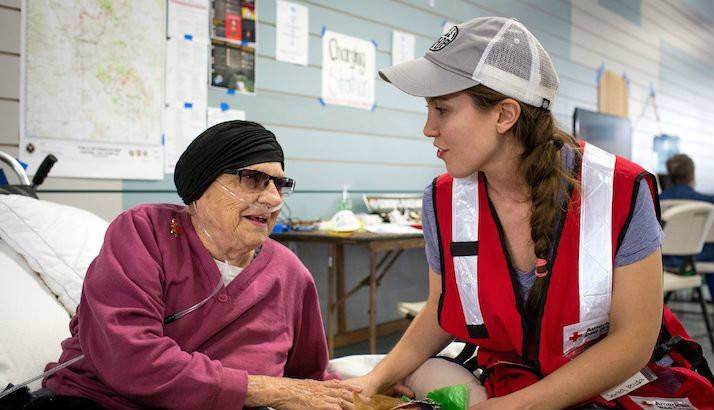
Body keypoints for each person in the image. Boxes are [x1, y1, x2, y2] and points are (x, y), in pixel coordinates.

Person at [349, 17, 714, 408]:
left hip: (611, 381)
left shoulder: (620, 190)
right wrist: (375, 378)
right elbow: (442, 312)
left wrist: (517, 406)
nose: (428, 128)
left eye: (442, 109)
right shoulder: (444, 201)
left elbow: (633, 341)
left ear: (505, 115)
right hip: (512, 373)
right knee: (415, 375)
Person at [35, 121, 360, 409]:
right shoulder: (144, 232)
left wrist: (361, 392)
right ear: (201, 186)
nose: (274, 199)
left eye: (279, 185)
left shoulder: (289, 273)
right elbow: (130, 358)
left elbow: (307, 379)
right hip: (100, 401)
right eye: (253, 179)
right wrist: (264, 389)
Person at [660, 153, 714, 299]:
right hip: (696, 259)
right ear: (692, 174)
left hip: (663, 260)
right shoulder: (708, 202)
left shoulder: (655, 201)